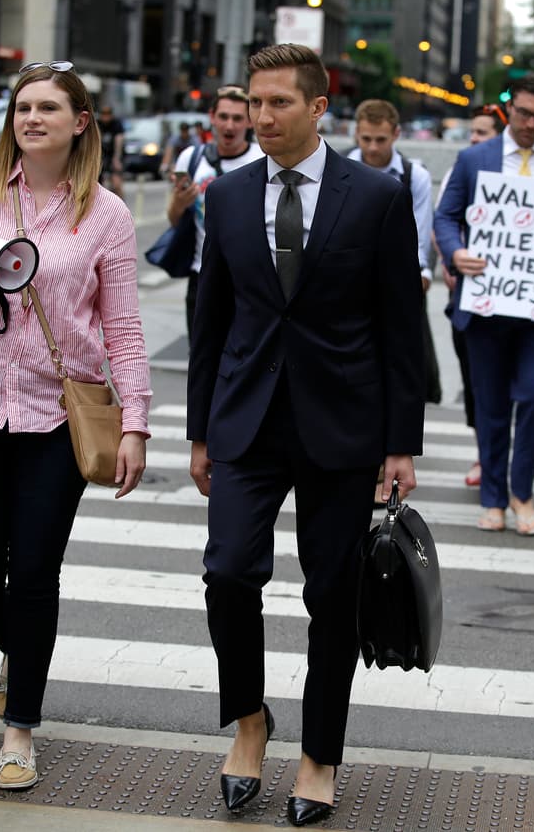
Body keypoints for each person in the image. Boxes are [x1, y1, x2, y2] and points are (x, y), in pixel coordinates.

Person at [187, 43, 423, 827]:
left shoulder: (379, 197)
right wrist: (198, 432)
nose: (260, 117)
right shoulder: (224, 198)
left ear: (319, 107)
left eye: (278, 103)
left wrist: (401, 443)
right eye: (253, 104)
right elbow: (209, 324)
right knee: (227, 573)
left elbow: (401, 325)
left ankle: (319, 754)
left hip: (343, 422)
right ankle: (249, 723)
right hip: (246, 419)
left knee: (332, 594)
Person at [0, 60, 151, 791]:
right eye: (23, 108)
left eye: (49, 108)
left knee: (34, 577)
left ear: (79, 122)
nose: (32, 119)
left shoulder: (107, 215)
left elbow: (122, 328)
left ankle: (20, 727)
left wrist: (136, 425)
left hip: (60, 417)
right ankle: (19, 650)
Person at [434, 72, 534, 535]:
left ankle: (521, 492)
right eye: (523, 113)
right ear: (509, 110)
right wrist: (455, 250)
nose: (530, 123)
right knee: (489, 404)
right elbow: (447, 216)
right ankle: (492, 498)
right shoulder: (473, 160)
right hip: (486, 304)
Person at [346, 98, 440, 419]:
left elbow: (419, 233)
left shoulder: (415, 177)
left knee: (397, 367)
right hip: (348, 283)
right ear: (356, 134)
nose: (372, 148)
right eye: (366, 139)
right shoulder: (338, 168)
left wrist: (421, 274)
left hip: (397, 283)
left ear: (397, 134)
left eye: (381, 140)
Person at [438, 103, 506, 488]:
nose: (476, 139)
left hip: (516, 298)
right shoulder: (462, 168)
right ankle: (485, 455)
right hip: (471, 296)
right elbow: (441, 220)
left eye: (484, 132)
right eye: (474, 132)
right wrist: (452, 261)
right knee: (478, 383)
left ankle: (502, 459)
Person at [165, 85, 262, 338]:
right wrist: (180, 202)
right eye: (224, 117)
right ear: (212, 118)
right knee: (201, 360)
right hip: (203, 276)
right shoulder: (191, 157)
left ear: (250, 122)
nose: (229, 126)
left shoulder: (261, 158)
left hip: (249, 278)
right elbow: (174, 219)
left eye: (238, 118)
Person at [97, 103, 124, 196]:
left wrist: (117, 158)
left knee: (116, 184)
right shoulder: (97, 123)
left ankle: (121, 206)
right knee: (98, 185)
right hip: (101, 155)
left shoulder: (116, 124)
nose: (106, 116)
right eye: (103, 114)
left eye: (108, 114)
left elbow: (119, 141)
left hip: (114, 154)